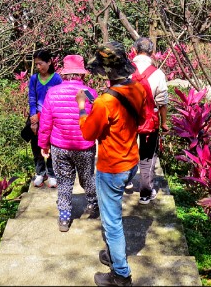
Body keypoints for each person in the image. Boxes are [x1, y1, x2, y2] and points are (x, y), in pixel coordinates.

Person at [76, 41, 146, 287]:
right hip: (131, 162)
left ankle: (121, 275)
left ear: (106, 71)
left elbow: (88, 133)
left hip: (111, 167)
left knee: (112, 222)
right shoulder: (138, 89)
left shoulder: (106, 101)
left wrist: (83, 108)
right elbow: (144, 118)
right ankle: (113, 256)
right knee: (113, 217)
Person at [38, 55, 99, 232]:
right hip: (85, 146)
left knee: (64, 182)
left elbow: (46, 123)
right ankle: (93, 205)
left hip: (60, 146)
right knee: (88, 177)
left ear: (64, 74)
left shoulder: (53, 92)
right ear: (81, 74)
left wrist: (44, 145)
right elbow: (98, 117)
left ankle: (64, 219)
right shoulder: (89, 92)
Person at [131, 37, 169, 205]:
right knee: (147, 156)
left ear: (134, 50)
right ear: (152, 53)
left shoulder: (126, 70)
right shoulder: (158, 73)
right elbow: (162, 103)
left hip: (127, 121)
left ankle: (124, 181)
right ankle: (145, 193)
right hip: (149, 121)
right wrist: (164, 122)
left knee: (126, 150)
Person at [28, 49, 62, 188]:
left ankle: (52, 173)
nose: (38, 67)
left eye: (40, 63)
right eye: (36, 64)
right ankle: (40, 173)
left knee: (52, 145)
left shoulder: (56, 79)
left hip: (52, 119)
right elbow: (32, 98)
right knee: (36, 146)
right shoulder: (34, 79)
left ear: (49, 62)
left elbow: (58, 100)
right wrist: (33, 117)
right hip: (37, 117)